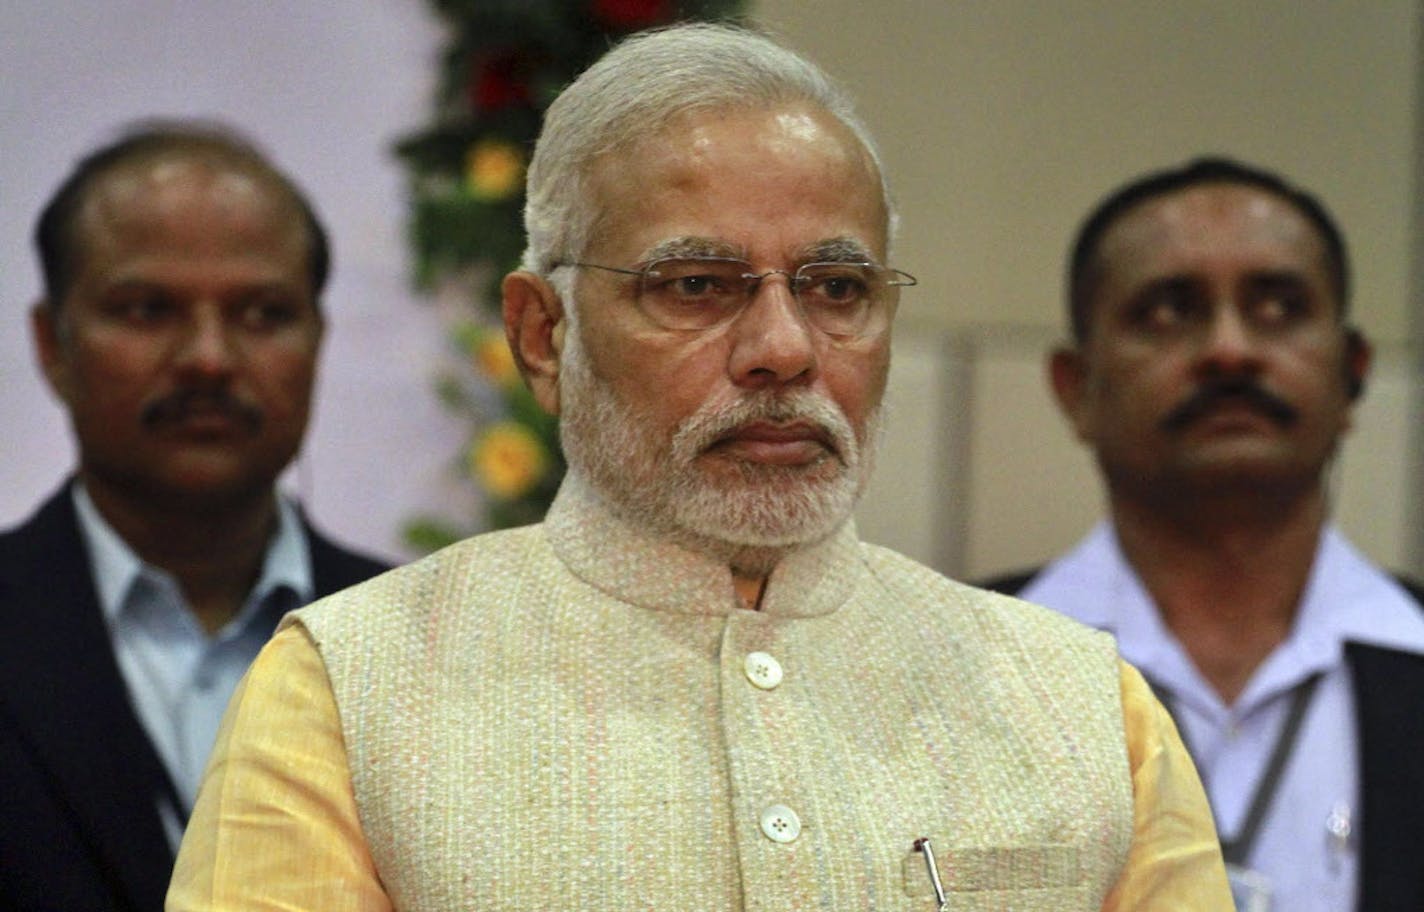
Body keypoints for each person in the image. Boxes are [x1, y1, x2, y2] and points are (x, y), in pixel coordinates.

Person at [168, 25, 1230, 911]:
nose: (784, 347)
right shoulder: (350, 688)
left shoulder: (1080, 706)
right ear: (543, 334)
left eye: (836, 288)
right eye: (694, 285)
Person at [981, 158, 1424, 911]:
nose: (1229, 349)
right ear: (1074, 387)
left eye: (1280, 308)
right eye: (1166, 311)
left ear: (1352, 376)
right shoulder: (960, 671)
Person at [0, 122, 390, 912]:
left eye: (262, 313)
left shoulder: (418, 641)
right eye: (147, 309)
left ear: (317, 339)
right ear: (51, 344)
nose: (209, 357)